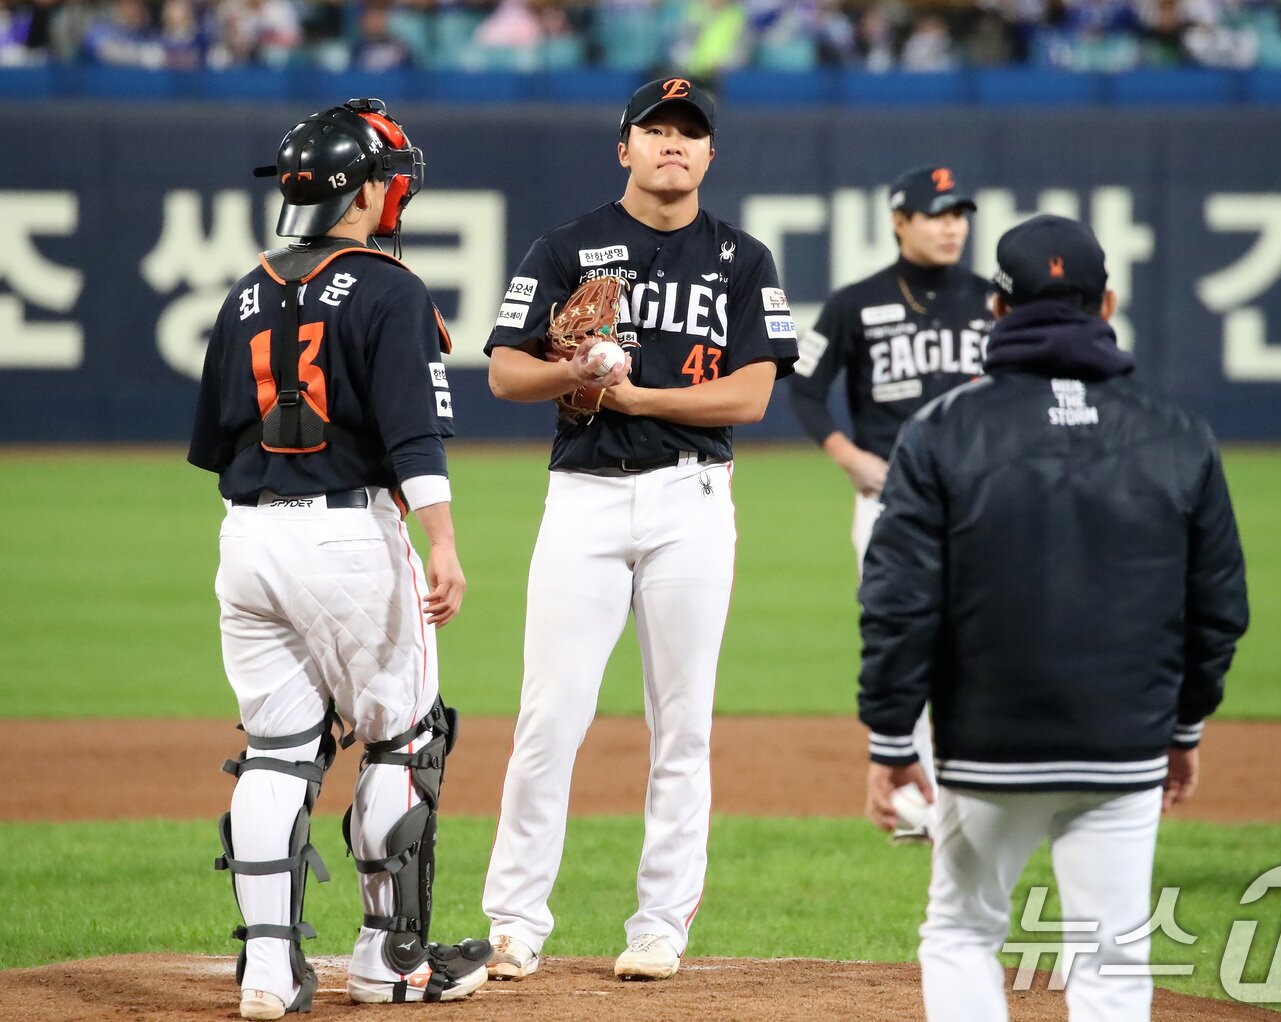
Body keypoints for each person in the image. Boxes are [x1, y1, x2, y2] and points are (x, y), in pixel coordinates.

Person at [857, 214, 1249, 1022]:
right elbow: (1219, 609)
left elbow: (900, 599)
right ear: (1107, 304)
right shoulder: (1179, 437)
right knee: (1112, 957)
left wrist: (894, 740)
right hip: (1123, 744)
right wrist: (1183, 730)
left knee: (963, 933)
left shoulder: (941, 431)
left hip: (990, 745)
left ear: (997, 311)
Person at [480, 76, 798, 983]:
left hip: (693, 500)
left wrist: (637, 394)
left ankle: (659, 924)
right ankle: (514, 923)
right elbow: (504, 372)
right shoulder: (565, 248)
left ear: (709, 153)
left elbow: (754, 392)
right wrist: (572, 369)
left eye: (689, 132)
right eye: (655, 129)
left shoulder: (742, 258)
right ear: (623, 146)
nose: (673, 144)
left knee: (683, 724)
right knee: (549, 716)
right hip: (582, 495)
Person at [188, 99, 489, 1020]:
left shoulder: (242, 292)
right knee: (404, 735)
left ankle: (268, 975)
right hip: (348, 536)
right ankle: (387, 961)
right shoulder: (390, 287)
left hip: (247, 536)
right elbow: (413, 440)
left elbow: (216, 442)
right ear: (361, 191)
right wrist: (441, 541)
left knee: (276, 751)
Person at [788, 162, 994, 840]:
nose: (951, 226)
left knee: (975, 646)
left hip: (979, 502)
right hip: (893, 503)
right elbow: (805, 387)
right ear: (900, 221)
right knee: (906, 640)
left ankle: (964, 795)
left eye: (958, 214)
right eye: (937, 214)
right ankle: (921, 798)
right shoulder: (857, 302)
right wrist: (849, 457)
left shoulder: (994, 300)